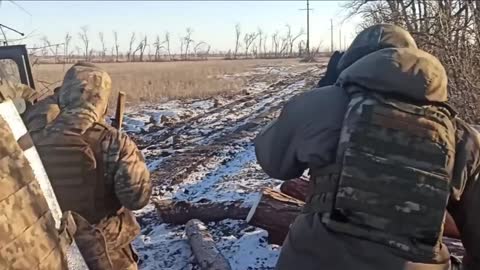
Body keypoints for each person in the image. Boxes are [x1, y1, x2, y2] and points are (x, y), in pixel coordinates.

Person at [255, 23, 480, 270]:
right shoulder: (463, 137)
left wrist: (322, 91)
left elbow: (271, 159)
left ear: (351, 63)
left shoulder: (321, 104)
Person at [32, 62, 152, 270]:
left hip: (51, 251)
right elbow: (137, 198)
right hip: (106, 253)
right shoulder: (114, 141)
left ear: (64, 95)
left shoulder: (32, 138)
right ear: (101, 100)